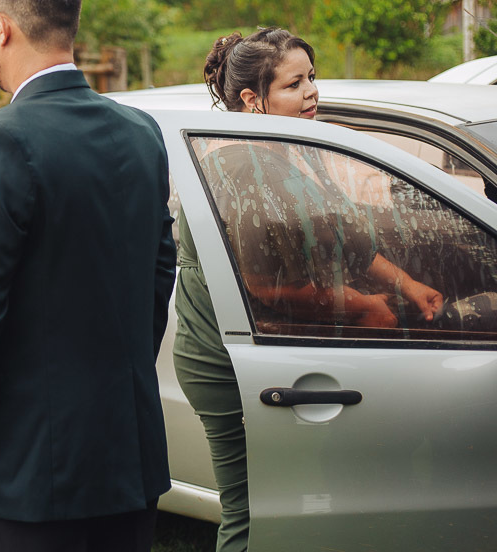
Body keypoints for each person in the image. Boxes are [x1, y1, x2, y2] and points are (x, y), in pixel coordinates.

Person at [0, 0, 177, 552]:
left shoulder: (3, 140)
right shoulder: (142, 131)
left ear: (1, 27)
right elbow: (160, 269)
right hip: (129, 447)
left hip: (34, 462)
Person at [173, 28, 444, 552]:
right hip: (229, 361)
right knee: (252, 513)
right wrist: (360, 304)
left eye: (312, 77)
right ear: (253, 99)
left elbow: (345, 237)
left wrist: (408, 285)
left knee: (306, 503)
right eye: (295, 84)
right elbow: (254, 282)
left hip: (281, 348)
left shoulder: (293, 147)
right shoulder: (239, 163)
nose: (312, 92)